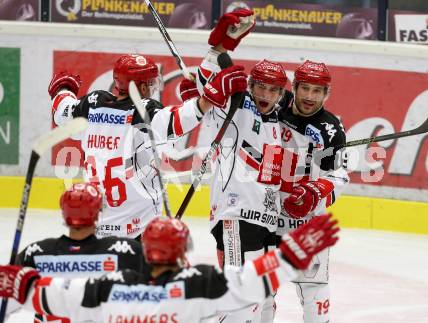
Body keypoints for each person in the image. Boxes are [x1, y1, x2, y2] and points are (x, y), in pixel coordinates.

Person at [0, 214, 340, 323]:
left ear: (145, 251)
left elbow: (53, 295)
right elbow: (249, 283)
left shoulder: (109, 286)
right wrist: (289, 256)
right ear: (182, 253)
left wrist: (21, 282)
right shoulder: (199, 283)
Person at [49, 53, 247, 239]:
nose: (153, 88)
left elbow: (61, 111)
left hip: (96, 226)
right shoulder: (145, 112)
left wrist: (63, 90)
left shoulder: (91, 105)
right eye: (151, 83)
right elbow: (181, 120)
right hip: (138, 228)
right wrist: (209, 96)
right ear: (141, 88)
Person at [181, 8, 289, 322]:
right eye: (261, 87)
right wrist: (220, 48)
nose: (265, 94)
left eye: (273, 90)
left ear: (281, 93)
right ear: (252, 85)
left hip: (267, 224)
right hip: (234, 218)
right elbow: (208, 82)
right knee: (238, 294)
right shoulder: (238, 104)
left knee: (266, 297)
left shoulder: (279, 123)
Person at [277, 60, 350, 323]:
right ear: (294, 87)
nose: (309, 96)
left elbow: (340, 175)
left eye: (317, 91)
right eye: (305, 88)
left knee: (313, 285)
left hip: (307, 220)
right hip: (265, 213)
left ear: (326, 94)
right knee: (259, 290)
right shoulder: (275, 103)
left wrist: (315, 192)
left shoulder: (331, 130)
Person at [9, 182, 145, 323]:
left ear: (64, 214)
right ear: (97, 215)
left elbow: (8, 292)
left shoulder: (36, 253)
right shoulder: (126, 251)